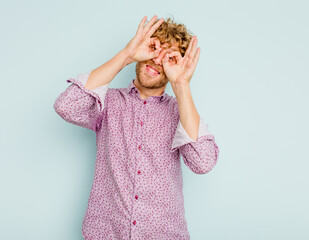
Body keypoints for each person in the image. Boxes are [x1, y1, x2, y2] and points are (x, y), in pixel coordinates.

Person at [53, 15, 220, 240]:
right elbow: (66, 106)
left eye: (168, 58)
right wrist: (127, 55)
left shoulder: (180, 112)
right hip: (106, 233)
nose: (157, 61)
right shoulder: (108, 102)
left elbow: (203, 162)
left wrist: (181, 84)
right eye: (154, 49)